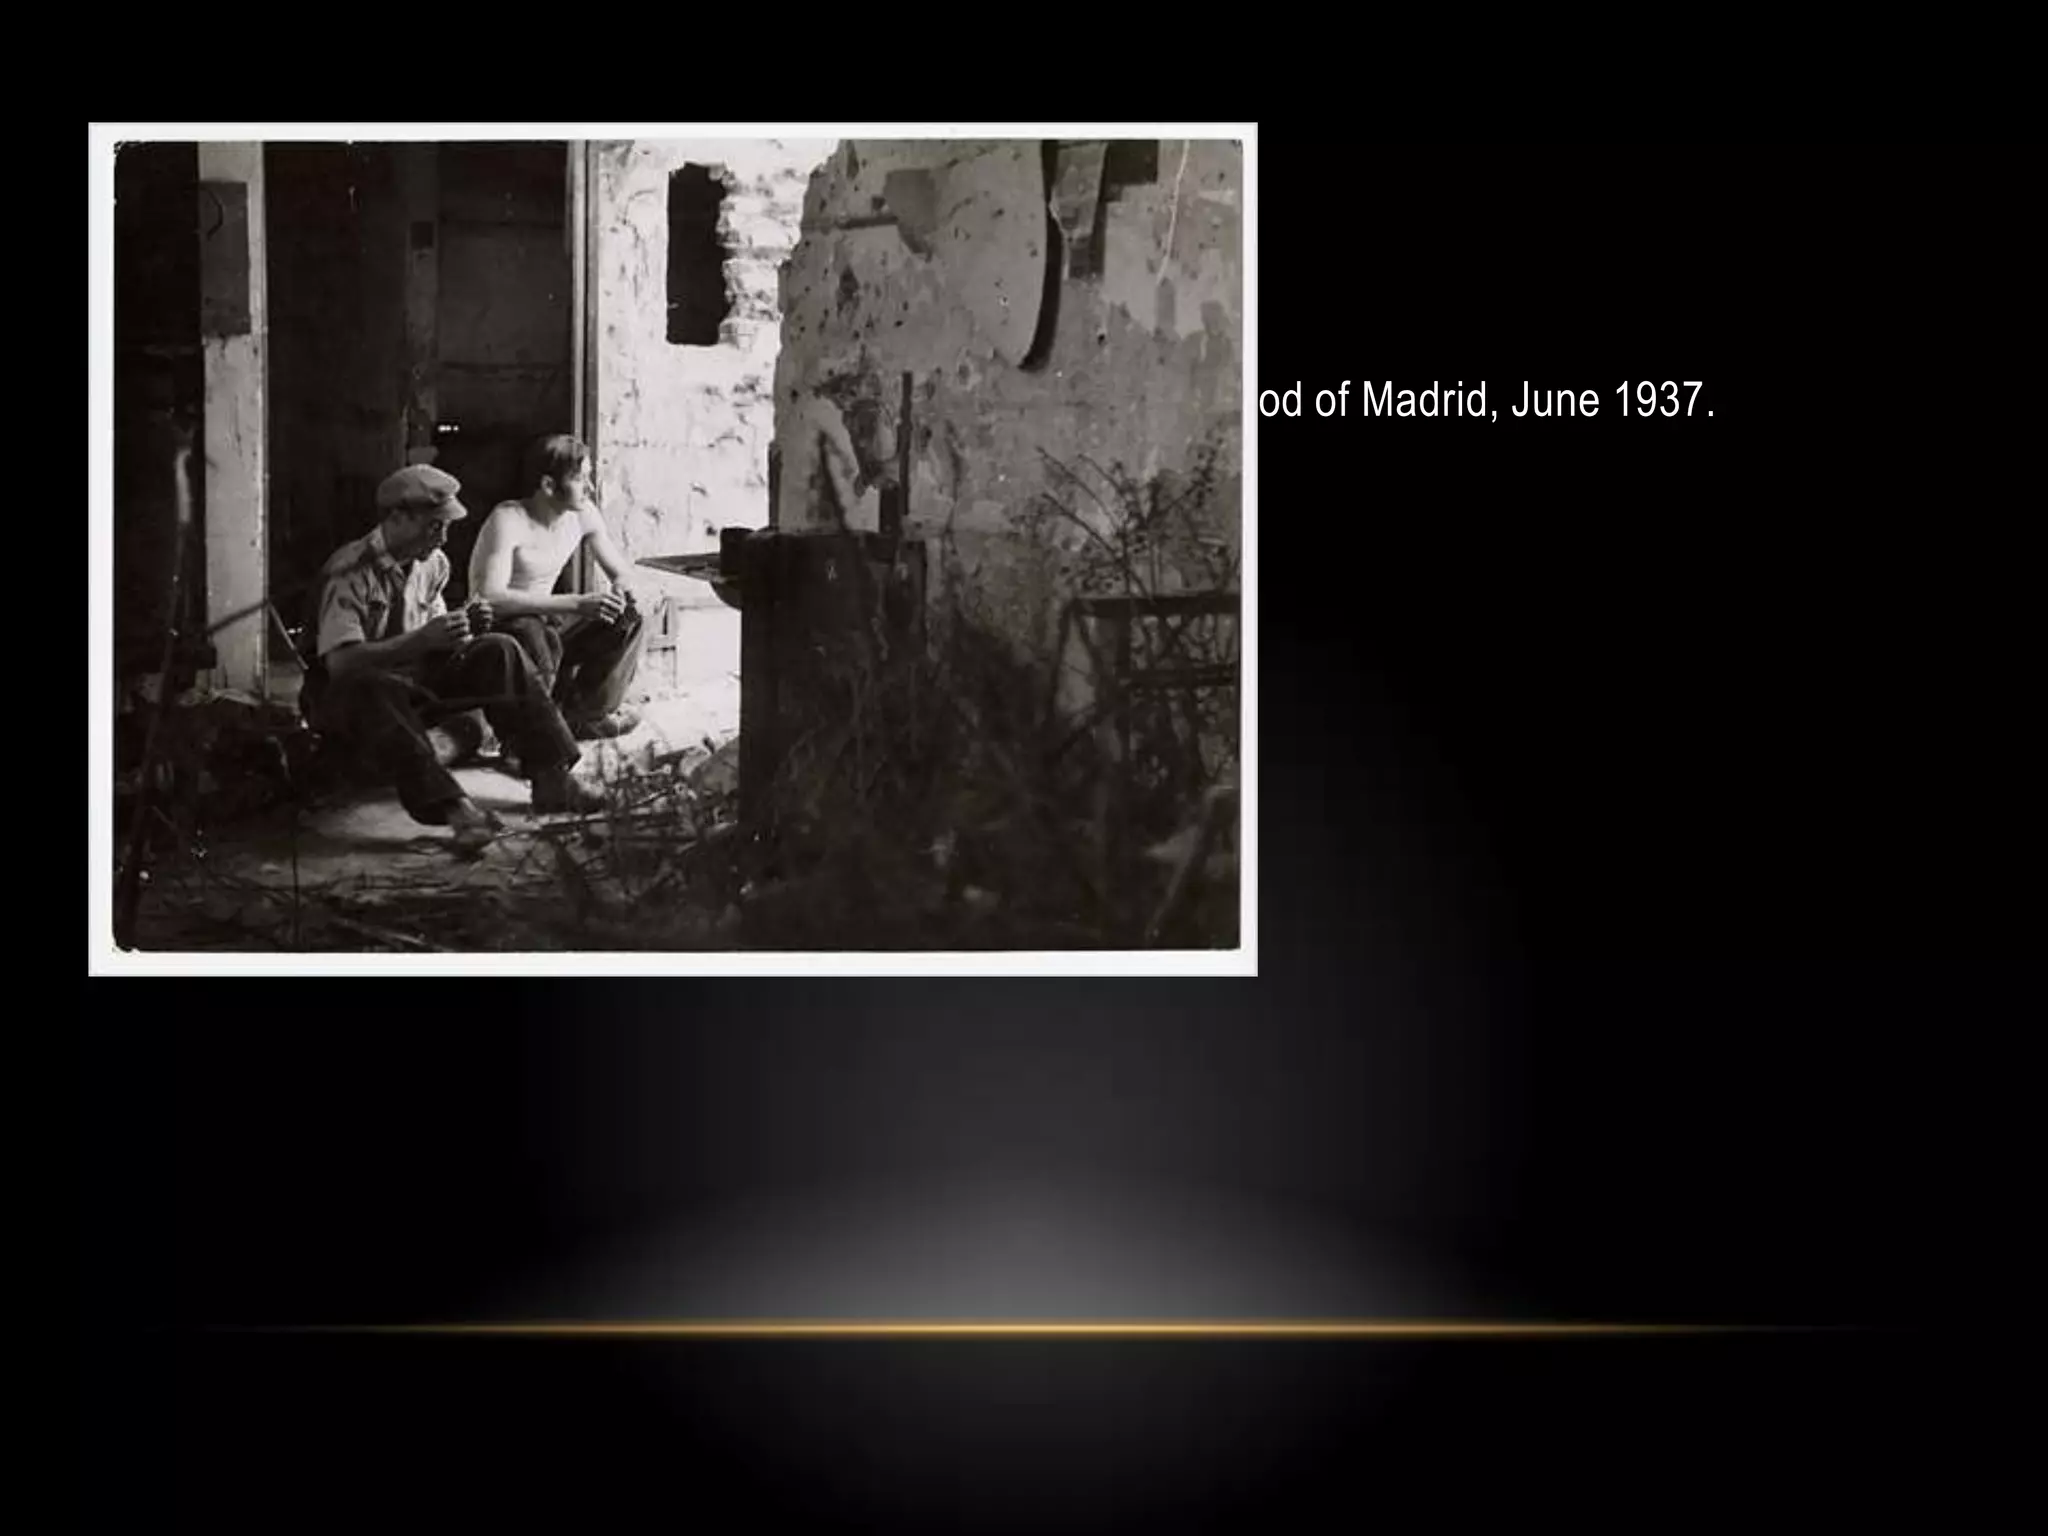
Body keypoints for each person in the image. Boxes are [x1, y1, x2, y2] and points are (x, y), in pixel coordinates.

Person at [303, 464, 605, 855]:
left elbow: (434, 640)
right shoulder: (348, 570)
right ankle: (456, 810)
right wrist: (421, 640)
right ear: (397, 518)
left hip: (411, 682)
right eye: (434, 526)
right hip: (348, 698)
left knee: (499, 648)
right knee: (369, 685)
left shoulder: (433, 563)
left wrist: (464, 628)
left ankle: (552, 777)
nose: (443, 536)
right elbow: (341, 666)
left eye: (446, 526)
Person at [466, 435, 646, 739]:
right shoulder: (508, 519)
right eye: (580, 479)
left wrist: (624, 589)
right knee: (535, 634)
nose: (589, 488)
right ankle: (528, 740)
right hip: (499, 631)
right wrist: (576, 603)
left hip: (547, 621)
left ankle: (583, 716)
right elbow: (491, 598)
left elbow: (620, 571)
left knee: (628, 618)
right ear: (549, 485)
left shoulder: (583, 513)